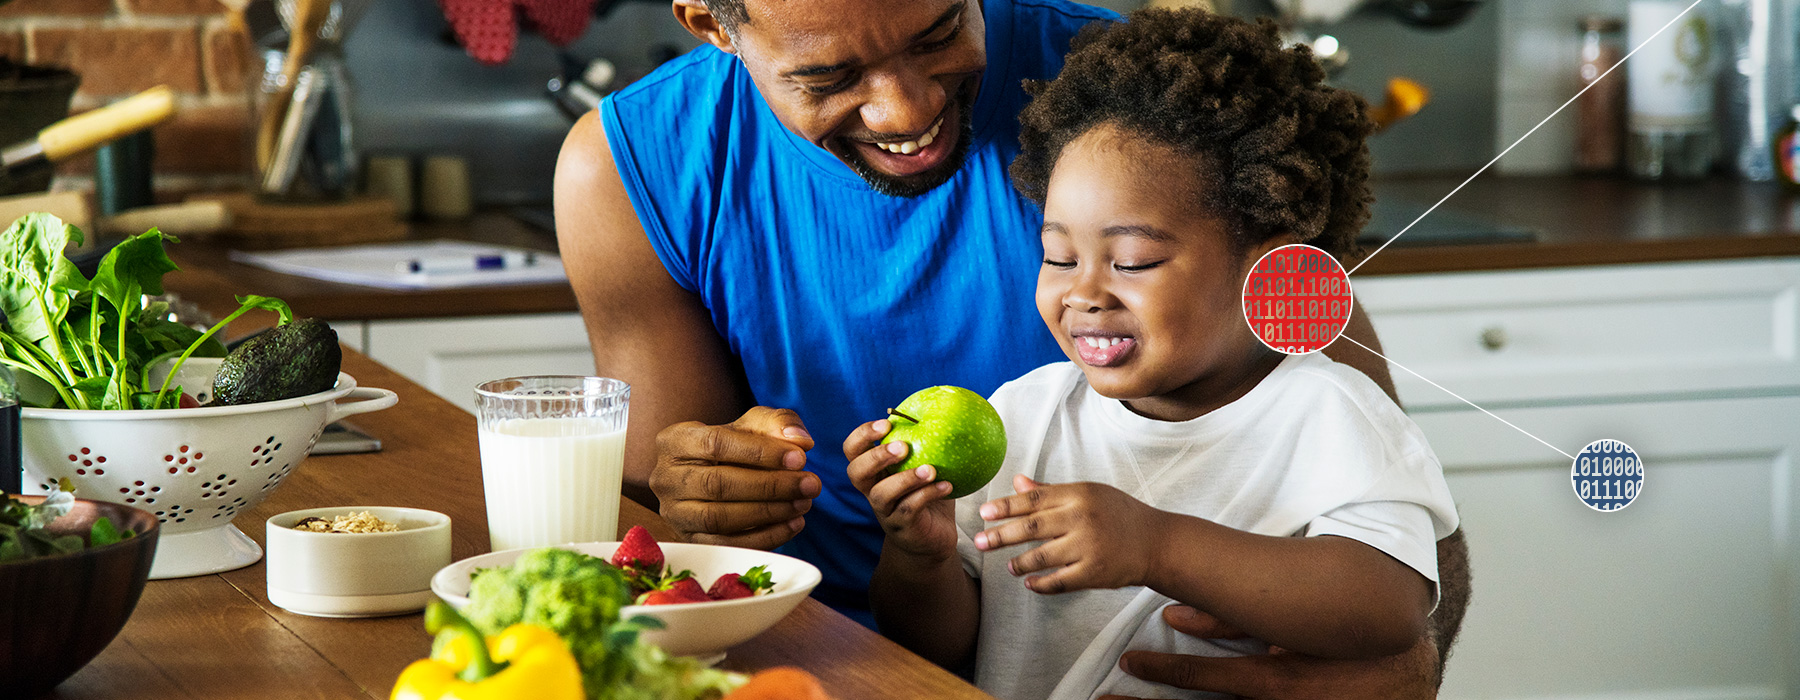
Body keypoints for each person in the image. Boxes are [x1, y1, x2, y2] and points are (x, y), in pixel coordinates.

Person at [552, 0, 1472, 695]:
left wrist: (1404, 668)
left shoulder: (1140, 115)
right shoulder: (637, 167)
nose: (905, 107)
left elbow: (1400, 539)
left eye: (938, 28)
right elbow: (655, 543)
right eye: (829, 78)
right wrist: (889, 544)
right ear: (710, 21)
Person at [842, 11, 1458, 700]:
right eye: (1058, 256)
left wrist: (1155, 546)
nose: (1084, 292)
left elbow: (1388, 608)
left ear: (1270, 265)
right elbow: (938, 644)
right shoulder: (1024, 413)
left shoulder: (1327, 413)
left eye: (1133, 261)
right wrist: (919, 558)